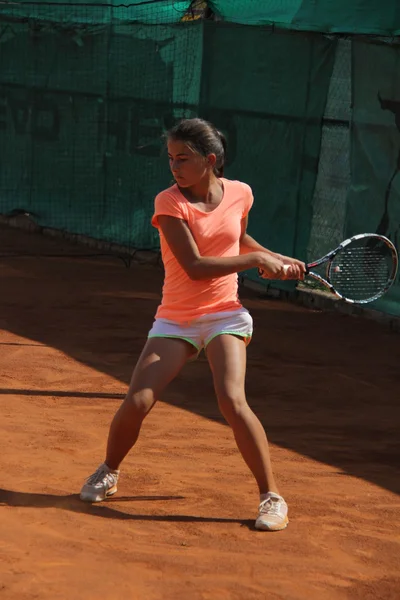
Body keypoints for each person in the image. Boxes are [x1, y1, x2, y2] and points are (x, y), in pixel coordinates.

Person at [80, 118, 305, 531]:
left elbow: (238, 241)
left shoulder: (241, 194)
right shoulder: (169, 203)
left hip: (225, 313)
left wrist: (278, 258)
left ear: (210, 160)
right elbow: (197, 266)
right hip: (176, 318)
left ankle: (271, 496)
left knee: (231, 400)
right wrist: (258, 262)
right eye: (170, 158)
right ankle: (109, 470)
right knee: (138, 400)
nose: (174, 166)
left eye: (183, 158)